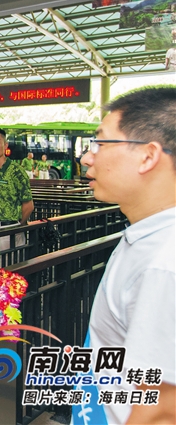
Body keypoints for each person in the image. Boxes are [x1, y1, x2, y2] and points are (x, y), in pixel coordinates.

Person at [74, 87, 175, 425]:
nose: (87, 158)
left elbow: (162, 410)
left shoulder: (164, 263)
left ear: (148, 156)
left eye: (100, 143)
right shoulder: (145, 236)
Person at [0, 127, 34, 250]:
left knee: (11, 262)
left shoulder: (16, 171)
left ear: (5, 145)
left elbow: (28, 205)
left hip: (11, 230)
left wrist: (17, 226)